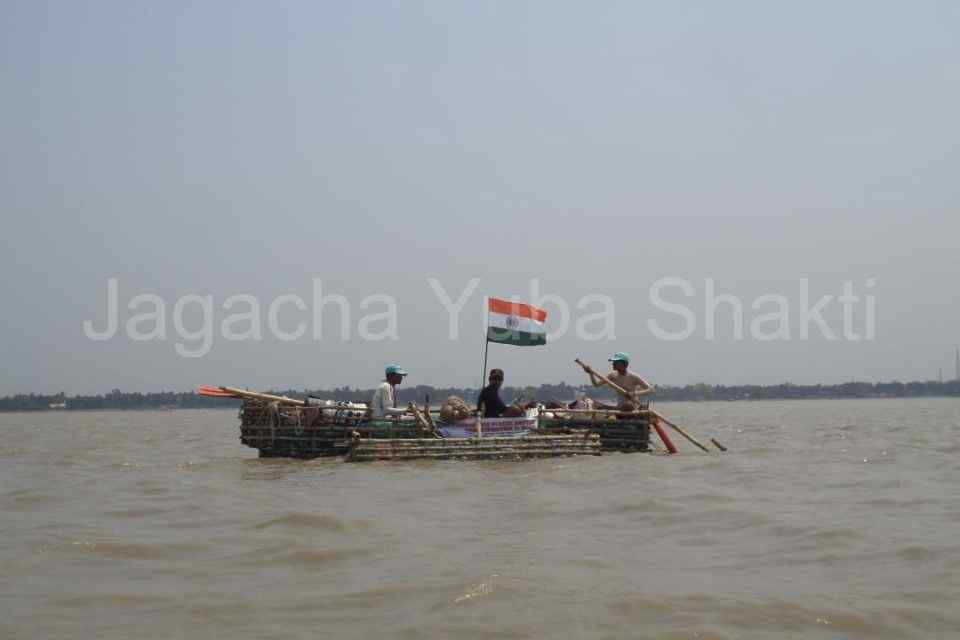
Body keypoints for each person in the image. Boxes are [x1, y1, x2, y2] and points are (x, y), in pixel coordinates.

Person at [587, 352, 652, 411]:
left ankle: (605, 407)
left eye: (616, 362)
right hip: (620, 407)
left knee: (628, 405)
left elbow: (651, 390)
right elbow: (596, 384)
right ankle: (608, 408)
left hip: (632, 408)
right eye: (613, 362)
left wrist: (634, 393)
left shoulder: (633, 377)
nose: (613, 364)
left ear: (625, 364)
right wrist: (591, 373)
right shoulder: (612, 375)